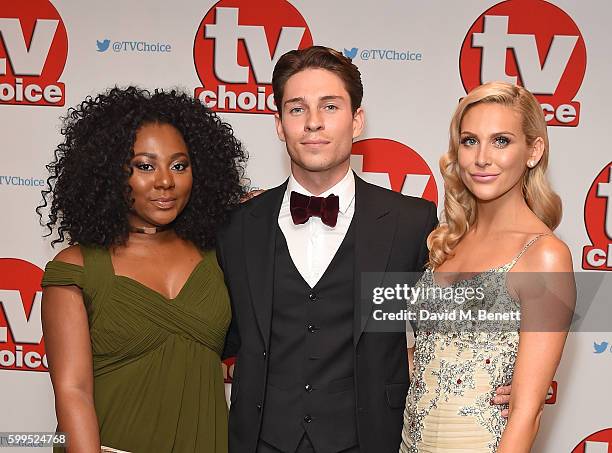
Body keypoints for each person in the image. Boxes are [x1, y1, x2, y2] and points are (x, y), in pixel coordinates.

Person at [217, 47, 510, 453]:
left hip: (371, 438)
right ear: (280, 125)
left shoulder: (411, 222)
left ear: (357, 120)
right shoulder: (237, 226)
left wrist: (514, 374)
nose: (314, 123)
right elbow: (207, 331)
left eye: (330, 106)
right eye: (297, 109)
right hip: (260, 440)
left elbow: (463, 313)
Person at [38, 87, 246, 452]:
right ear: (109, 172)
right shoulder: (78, 267)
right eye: (145, 166)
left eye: (179, 165)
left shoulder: (218, 256)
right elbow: (73, 391)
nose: (165, 181)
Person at [399, 82, 576, 452]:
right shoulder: (446, 242)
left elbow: (527, 414)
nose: (482, 158)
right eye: (469, 141)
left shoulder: (544, 255)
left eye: (501, 141)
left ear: (533, 151)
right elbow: (428, 355)